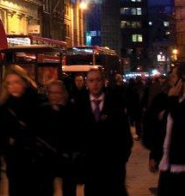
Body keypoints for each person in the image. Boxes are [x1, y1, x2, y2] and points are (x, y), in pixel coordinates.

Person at [76, 68, 132, 196]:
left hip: (113, 166)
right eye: (91, 80)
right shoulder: (79, 104)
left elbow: (124, 134)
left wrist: (122, 158)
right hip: (90, 168)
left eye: (98, 80)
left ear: (104, 81)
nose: (95, 84)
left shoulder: (115, 102)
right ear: (87, 83)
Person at [0, 65, 43, 196]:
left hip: (33, 161)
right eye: (9, 84)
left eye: (16, 82)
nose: (13, 87)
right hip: (13, 161)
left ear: (24, 82)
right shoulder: (4, 105)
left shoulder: (35, 102)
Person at [146, 64, 185, 196]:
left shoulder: (174, 100)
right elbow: (163, 131)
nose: (171, 80)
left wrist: (172, 100)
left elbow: (180, 123)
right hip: (167, 165)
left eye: (174, 76)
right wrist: (154, 155)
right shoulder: (169, 99)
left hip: (181, 166)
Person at [36, 80, 80, 196]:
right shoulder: (43, 109)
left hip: (67, 158)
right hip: (48, 158)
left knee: (69, 189)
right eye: (51, 93)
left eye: (57, 93)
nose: (54, 96)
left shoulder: (73, 110)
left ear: (63, 93)